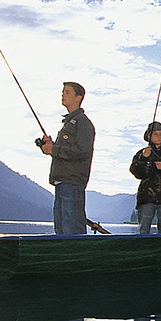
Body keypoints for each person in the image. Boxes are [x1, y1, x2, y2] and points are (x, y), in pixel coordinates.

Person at [38, 81, 95, 235]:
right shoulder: (69, 123)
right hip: (62, 182)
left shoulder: (83, 122)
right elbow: (67, 150)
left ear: (79, 97)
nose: (63, 94)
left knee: (72, 227)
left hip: (72, 182)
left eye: (67, 92)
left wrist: (54, 149)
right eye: (63, 91)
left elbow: (81, 151)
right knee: (61, 228)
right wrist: (51, 147)